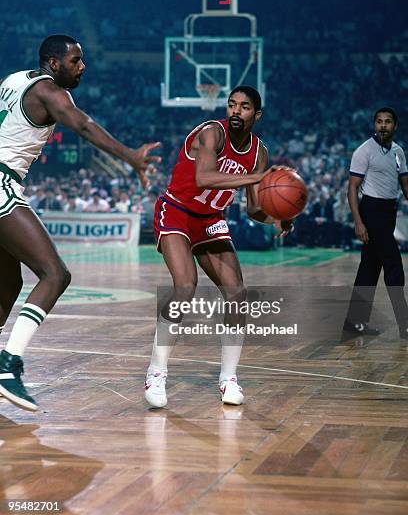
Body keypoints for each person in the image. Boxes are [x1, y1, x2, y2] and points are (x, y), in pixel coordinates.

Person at [0, 34, 161, 411]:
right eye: (76, 60)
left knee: (8, 281)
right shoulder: (51, 92)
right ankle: (8, 365)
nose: (82, 67)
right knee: (55, 274)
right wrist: (130, 157)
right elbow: (84, 126)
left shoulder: (12, 80)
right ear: (54, 64)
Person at [144, 85, 293, 408]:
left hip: (210, 218)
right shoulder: (212, 133)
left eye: (245, 107)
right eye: (232, 105)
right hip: (178, 210)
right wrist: (256, 179)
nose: (236, 111)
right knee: (185, 285)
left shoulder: (258, 153)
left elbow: (254, 209)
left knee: (237, 293)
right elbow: (205, 178)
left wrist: (278, 217)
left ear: (257, 114)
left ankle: (228, 379)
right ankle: (156, 372)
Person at [343, 107, 408, 338]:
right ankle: (405, 325)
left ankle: (354, 323)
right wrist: (358, 222)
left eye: (387, 122)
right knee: (393, 265)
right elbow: (352, 188)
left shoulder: (399, 152)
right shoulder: (364, 151)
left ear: (395, 126)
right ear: (374, 125)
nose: (382, 125)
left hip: (389, 212)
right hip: (371, 211)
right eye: (379, 121)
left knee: (369, 270)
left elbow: (405, 186)